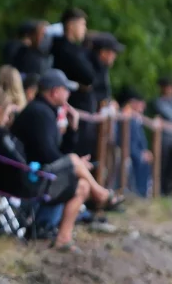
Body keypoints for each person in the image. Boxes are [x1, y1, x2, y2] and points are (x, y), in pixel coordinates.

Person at [11, 69, 121, 249]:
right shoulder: (40, 113)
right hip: (29, 180)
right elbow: (48, 155)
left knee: (82, 184)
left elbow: (56, 152)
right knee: (73, 161)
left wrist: (72, 129)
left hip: (37, 175)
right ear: (54, 91)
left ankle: (63, 238)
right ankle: (101, 194)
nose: (69, 94)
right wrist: (73, 163)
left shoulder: (46, 111)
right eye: (66, 89)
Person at [0, 89, 90, 251]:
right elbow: (19, 162)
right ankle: (63, 236)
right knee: (79, 178)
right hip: (20, 186)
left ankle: (58, 231)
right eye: (8, 113)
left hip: (6, 182)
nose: (10, 118)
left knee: (75, 167)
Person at [50, 9, 99, 156]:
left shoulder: (74, 49)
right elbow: (88, 76)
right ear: (71, 25)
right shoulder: (64, 49)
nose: (85, 29)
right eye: (82, 24)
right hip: (71, 104)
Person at [115, 86, 153, 196]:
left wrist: (144, 152)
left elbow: (139, 140)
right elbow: (123, 140)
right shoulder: (125, 117)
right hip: (128, 152)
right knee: (140, 161)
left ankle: (142, 193)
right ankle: (138, 193)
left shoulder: (136, 119)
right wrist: (140, 154)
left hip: (135, 151)